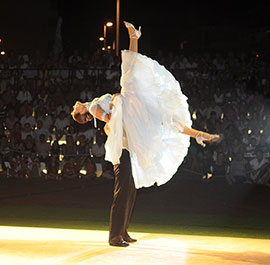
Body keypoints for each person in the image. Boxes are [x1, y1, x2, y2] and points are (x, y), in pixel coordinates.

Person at [71, 21, 219, 247]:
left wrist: (117, 108)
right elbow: (109, 117)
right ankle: (114, 235)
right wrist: (114, 108)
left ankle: (198, 133)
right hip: (123, 139)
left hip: (129, 127)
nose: (76, 106)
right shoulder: (92, 107)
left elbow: (111, 117)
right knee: (123, 190)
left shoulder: (101, 104)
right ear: (82, 114)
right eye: (76, 111)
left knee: (160, 121)